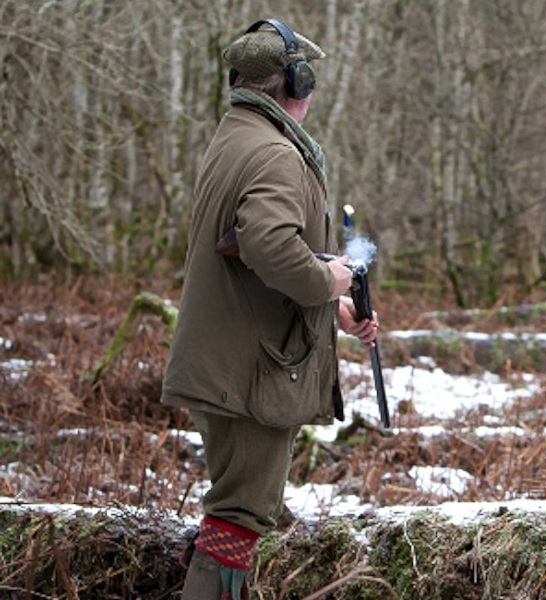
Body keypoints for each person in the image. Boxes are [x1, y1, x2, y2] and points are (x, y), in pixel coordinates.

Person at [161, 19, 377, 600]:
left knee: (235, 514)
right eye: (308, 79)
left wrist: (332, 304)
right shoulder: (276, 153)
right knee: (239, 516)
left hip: (236, 360)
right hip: (249, 372)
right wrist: (325, 281)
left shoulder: (236, 136)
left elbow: (250, 254)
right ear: (294, 83)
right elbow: (269, 245)